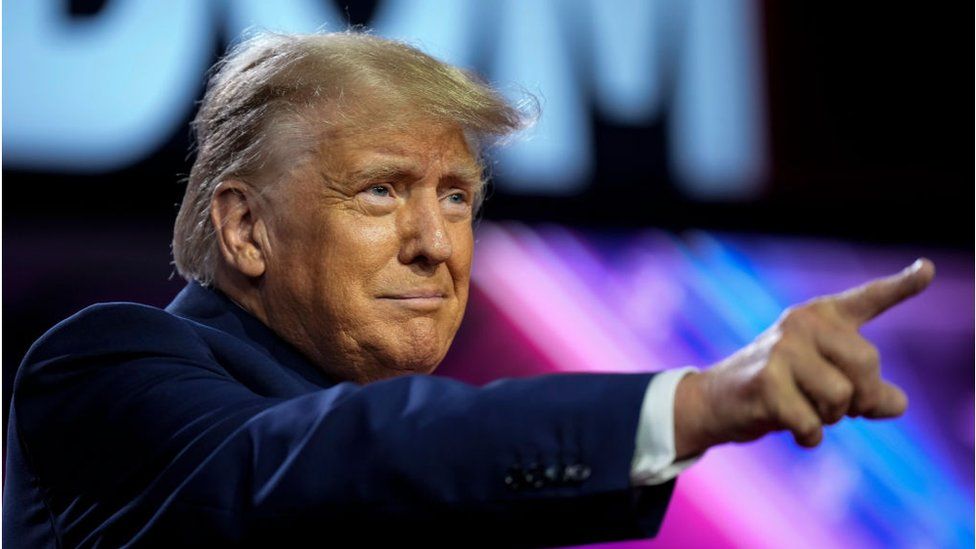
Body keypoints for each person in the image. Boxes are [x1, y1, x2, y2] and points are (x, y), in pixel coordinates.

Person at [3, 31, 935, 547]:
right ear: (246, 228)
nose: (436, 244)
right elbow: (317, 465)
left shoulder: (430, 478)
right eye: (381, 190)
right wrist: (694, 402)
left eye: (456, 198)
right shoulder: (101, 369)